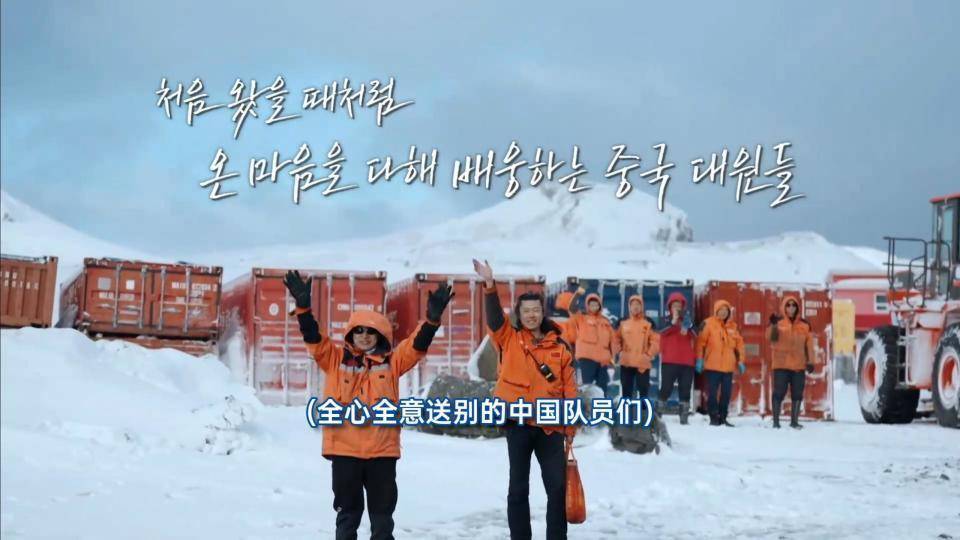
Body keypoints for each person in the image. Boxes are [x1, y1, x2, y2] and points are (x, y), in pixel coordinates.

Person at [284, 270, 454, 540]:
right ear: (350, 334)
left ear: (381, 336)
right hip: (345, 452)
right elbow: (314, 339)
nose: (364, 336)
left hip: (381, 454)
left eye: (371, 332)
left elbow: (415, 347)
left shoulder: (392, 362)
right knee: (347, 518)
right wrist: (303, 309)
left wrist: (432, 321)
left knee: (382, 520)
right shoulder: (335, 359)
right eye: (359, 331)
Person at [473, 259, 577, 540]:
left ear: (543, 313)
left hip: (551, 427)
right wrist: (489, 284)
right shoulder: (508, 338)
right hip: (517, 424)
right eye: (526, 311)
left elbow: (570, 389)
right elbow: (495, 318)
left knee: (557, 488)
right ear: (519, 314)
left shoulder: (560, 346)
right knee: (518, 488)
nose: (531, 315)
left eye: (536, 310)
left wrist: (570, 427)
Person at [767, 296, 816, 429]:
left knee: (797, 393)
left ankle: (794, 421)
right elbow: (771, 338)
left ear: (797, 307)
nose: (791, 308)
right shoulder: (778, 322)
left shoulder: (804, 325)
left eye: (793, 305)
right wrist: (773, 325)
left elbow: (809, 345)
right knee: (779, 392)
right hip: (781, 365)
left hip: (798, 365)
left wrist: (811, 361)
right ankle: (776, 421)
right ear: (784, 307)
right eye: (788, 305)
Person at [696, 300, 746, 427]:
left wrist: (741, 361)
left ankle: (723, 417)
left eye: (726, 310)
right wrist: (699, 359)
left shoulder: (733, 327)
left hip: (728, 368)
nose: (723, 313)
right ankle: (713, 417)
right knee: (712, 394)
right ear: (716, 311)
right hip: (712, 367)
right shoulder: (708, 323)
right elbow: (700, 343)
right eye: (721, 310)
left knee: (726, 394)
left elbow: (740, 345)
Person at [566, 292, 621, 397]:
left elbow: (613, 340)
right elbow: (571, 308)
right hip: (587, 358)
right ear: (588, 306)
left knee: (602, 388)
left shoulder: (605, 322)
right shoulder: (581, 318)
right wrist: (578, 294)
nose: (594, 307)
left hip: (603, 361)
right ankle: (587, 406)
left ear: (599, 306)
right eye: (591, 305)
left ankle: (601, 406)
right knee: (588, 387)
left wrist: (614, 357)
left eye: (596, 305)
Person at [657, 292, 697, 424]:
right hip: (669, 360)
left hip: (687, 362)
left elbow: (697, 334)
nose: (677, 308)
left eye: (679, 305)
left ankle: (683, 417)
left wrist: (689, 325)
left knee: (685, 389)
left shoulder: (688, 320)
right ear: (670, 307)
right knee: (666, 388)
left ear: (683, 307)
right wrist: (673, 322)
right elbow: (661, 331)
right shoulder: (665, 320)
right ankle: (658, 414)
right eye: (674, 305)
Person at [617, 295, 660, 401]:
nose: (635, 307)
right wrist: (620, 351)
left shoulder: (648, 324)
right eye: (633, 305)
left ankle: (643, 411)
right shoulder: (623, 323)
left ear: (642, 307)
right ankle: (627, 411)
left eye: (638, 304)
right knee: (626, 392)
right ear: (629, 307)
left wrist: (648, 355)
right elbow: (615, 339)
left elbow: (656, 341)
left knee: (644, 392)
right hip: (626, 362)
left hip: (642, 363)